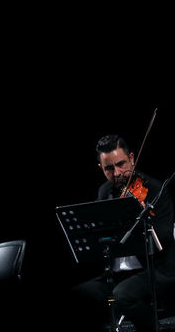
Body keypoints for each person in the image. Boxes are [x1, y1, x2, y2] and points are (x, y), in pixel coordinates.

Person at [70, 134, 175, 332]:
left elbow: (166, 236)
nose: (117, 173)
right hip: (116, 274)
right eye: (109, 168)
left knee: (122, 295)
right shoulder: (104, 192)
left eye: (121, 164)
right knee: (77, 296)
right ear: (101, 169)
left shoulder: (153, 189)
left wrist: (141, 218)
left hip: (154, 270)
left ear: (132, 159)